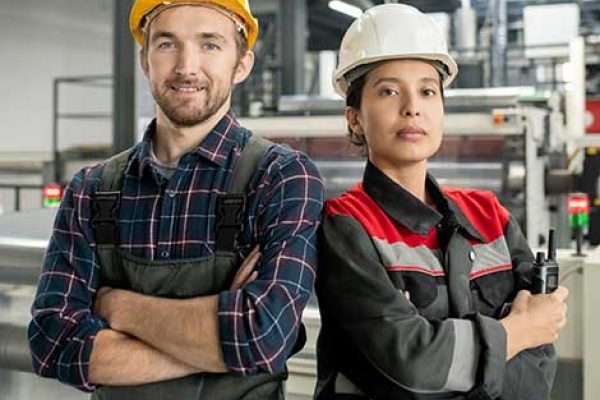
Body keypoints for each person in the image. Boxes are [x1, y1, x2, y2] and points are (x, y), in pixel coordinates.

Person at [28, 1, 323, 399]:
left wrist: (118, 306)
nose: (187, 66)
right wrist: (222, 344)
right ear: (145, 60)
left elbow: (265, 334)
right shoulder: (92, 189)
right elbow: (54, 345)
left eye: (210, 45)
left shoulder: (279, 177)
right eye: (168, 44)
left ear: (242, 64)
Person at [314, 4, 568, 400]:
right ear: (355, 119)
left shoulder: (490, 217)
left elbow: (537, 368)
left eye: (428, 90)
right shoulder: (346, 225)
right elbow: (409, 365)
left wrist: (450, 358)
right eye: (389, 90)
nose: (412, 106)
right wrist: (515, 333)